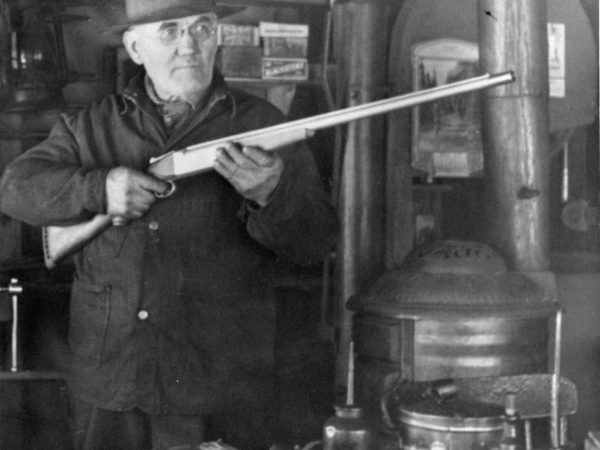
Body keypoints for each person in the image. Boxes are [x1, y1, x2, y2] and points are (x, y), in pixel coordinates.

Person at [0, 0, 337, 449]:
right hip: (113, 378)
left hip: (220, 379)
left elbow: (314, 243)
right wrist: (99, 190)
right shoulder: (91, 126)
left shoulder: (264, 126)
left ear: (217, 36)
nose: (189, 46)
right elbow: (15, 188)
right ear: (135, 48)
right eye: (170, 31)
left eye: (201, 28)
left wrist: (270, 195)